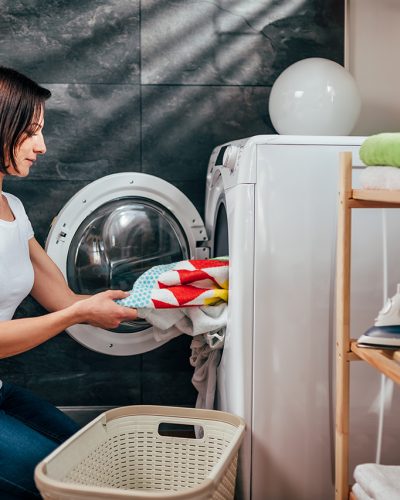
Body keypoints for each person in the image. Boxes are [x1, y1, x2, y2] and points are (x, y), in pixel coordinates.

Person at [0, 66, 138, 499]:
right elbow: (71, 311)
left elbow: (62, 298)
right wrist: (78, 313)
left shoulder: (12, 207)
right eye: (31, 132)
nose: (42, 146)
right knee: (55, 488)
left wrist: (162, 297)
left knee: (87, 464)